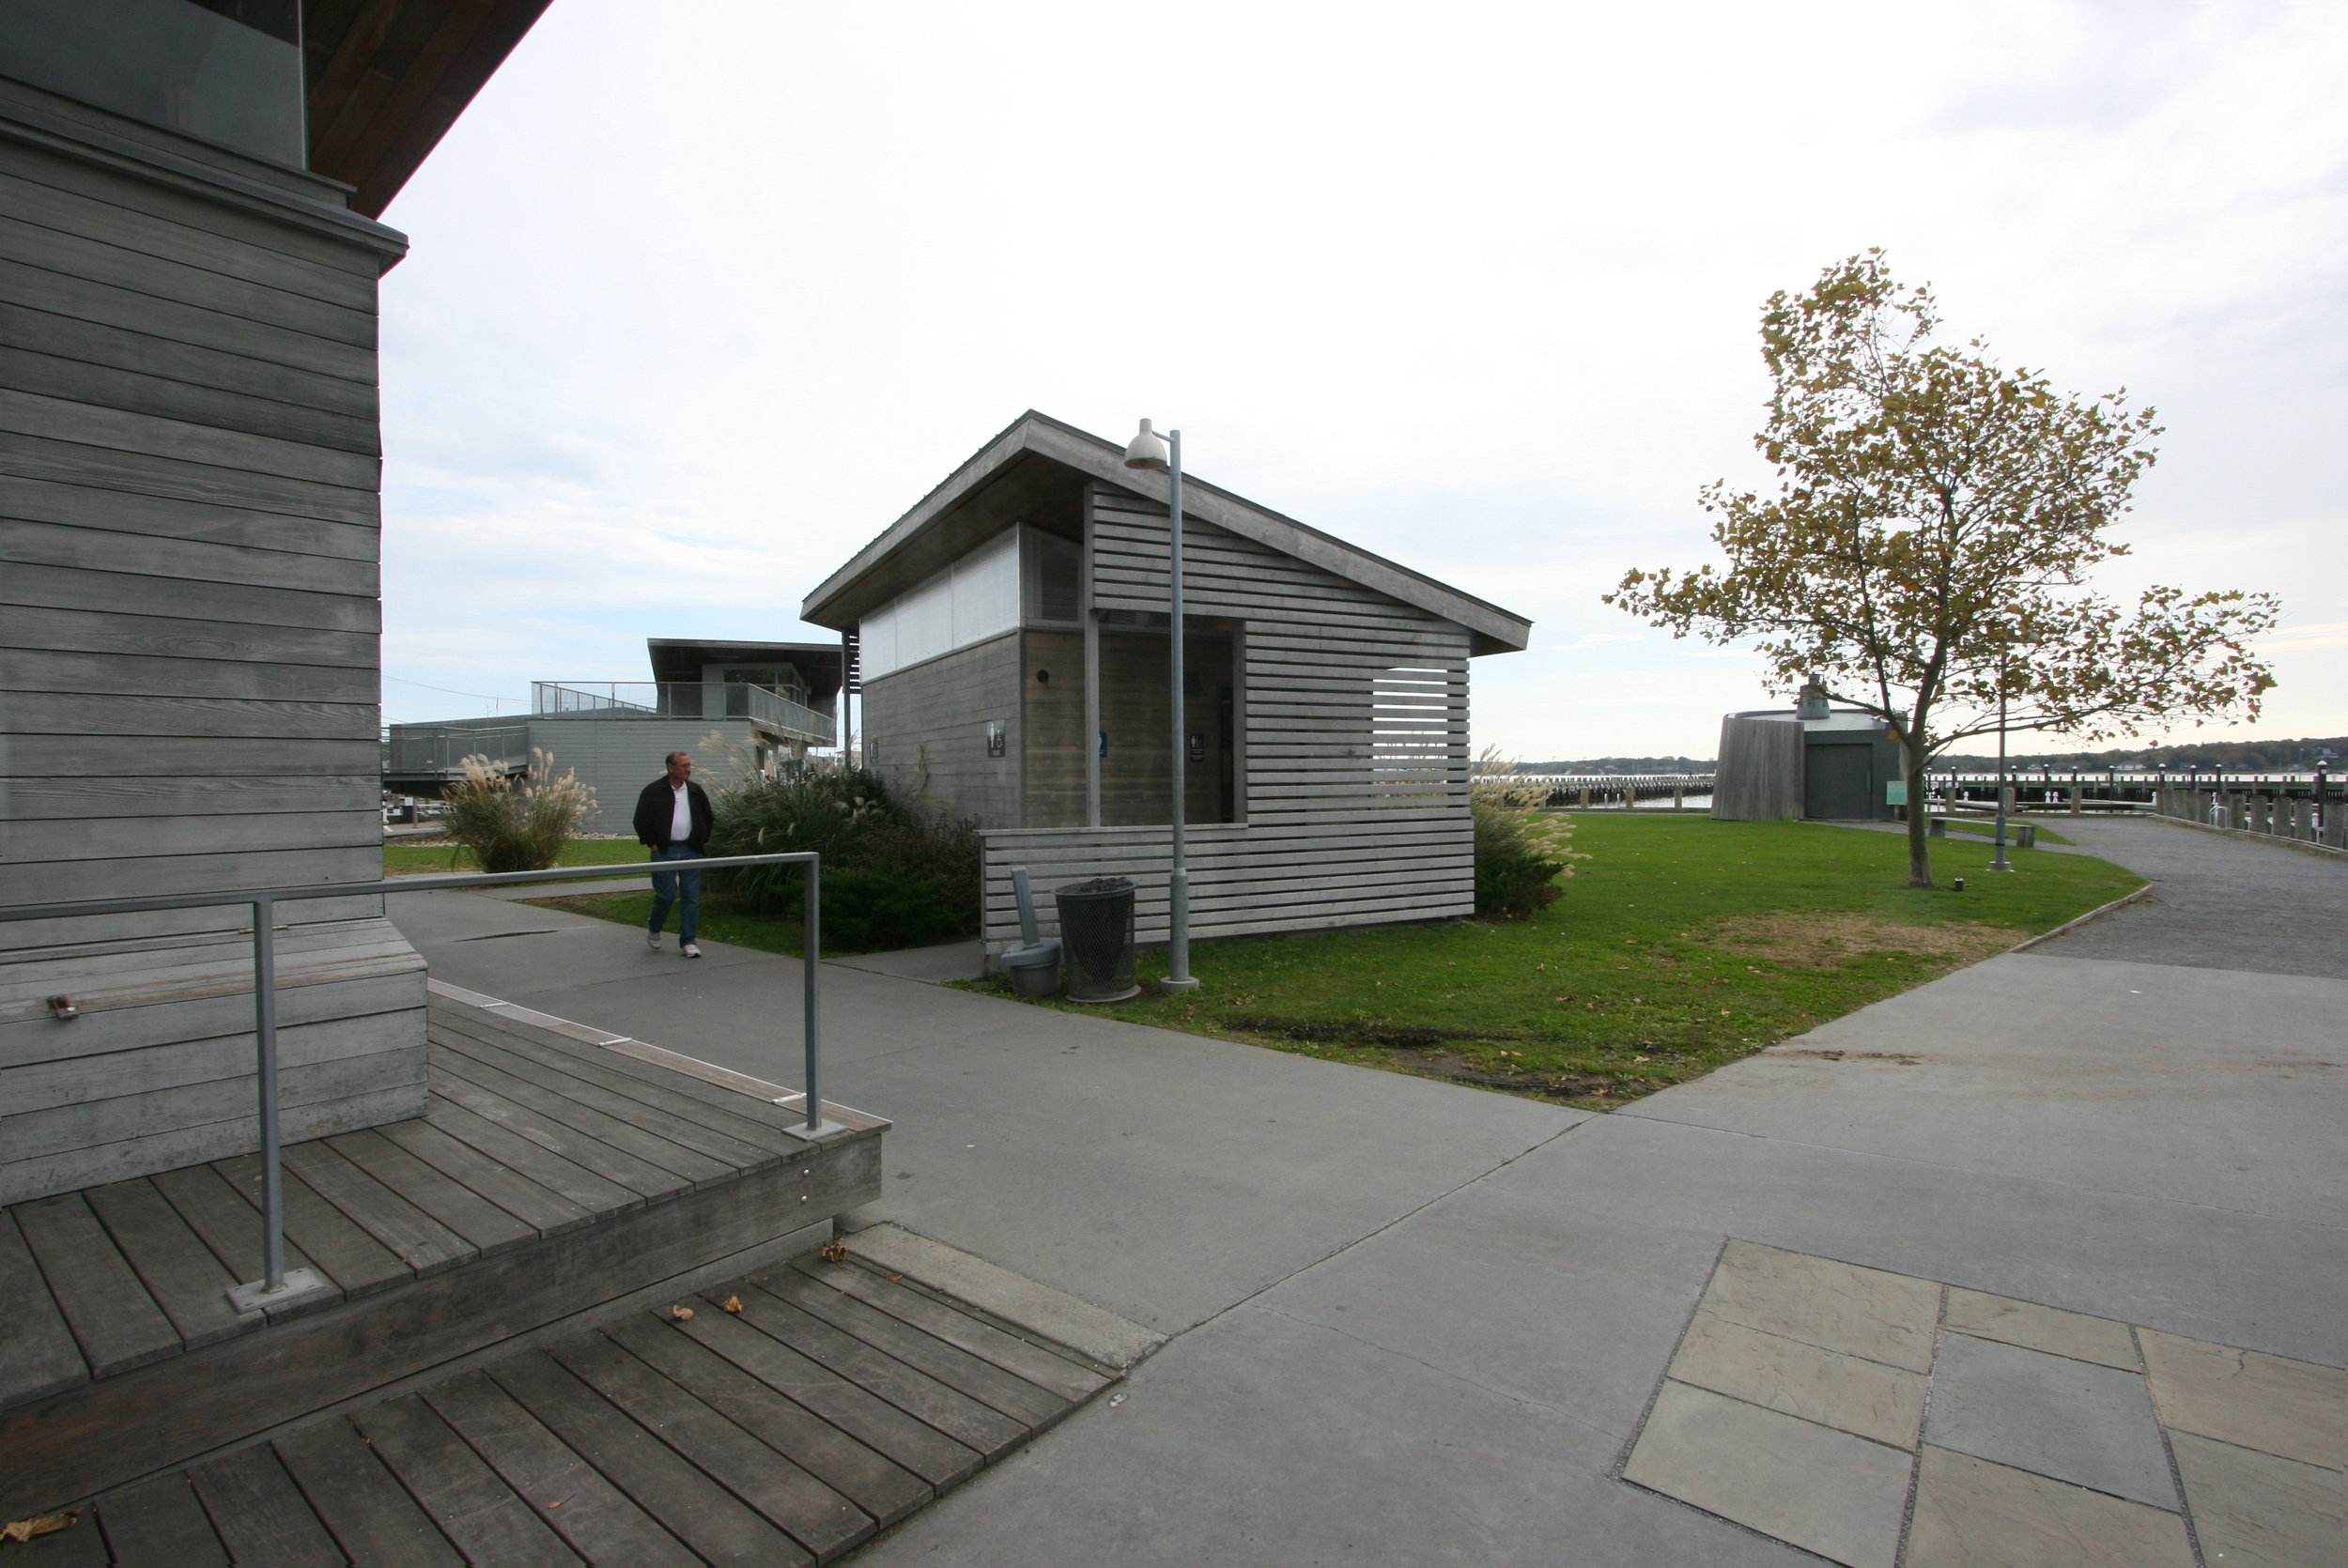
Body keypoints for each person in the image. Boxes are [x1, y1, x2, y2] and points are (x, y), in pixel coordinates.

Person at [633, 750, 712, 958]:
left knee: (691, 896)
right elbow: (641, 820)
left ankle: (688, 941)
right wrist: (653, 844)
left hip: (689, 850)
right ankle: (655, 927)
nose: (688, 769)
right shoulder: (653, 791)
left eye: (689, 765)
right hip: (663, 851)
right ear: (671, 767)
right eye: (683, 765)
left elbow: (707, 817)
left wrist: (700, 840)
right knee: (666, 894)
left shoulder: (695, 791)